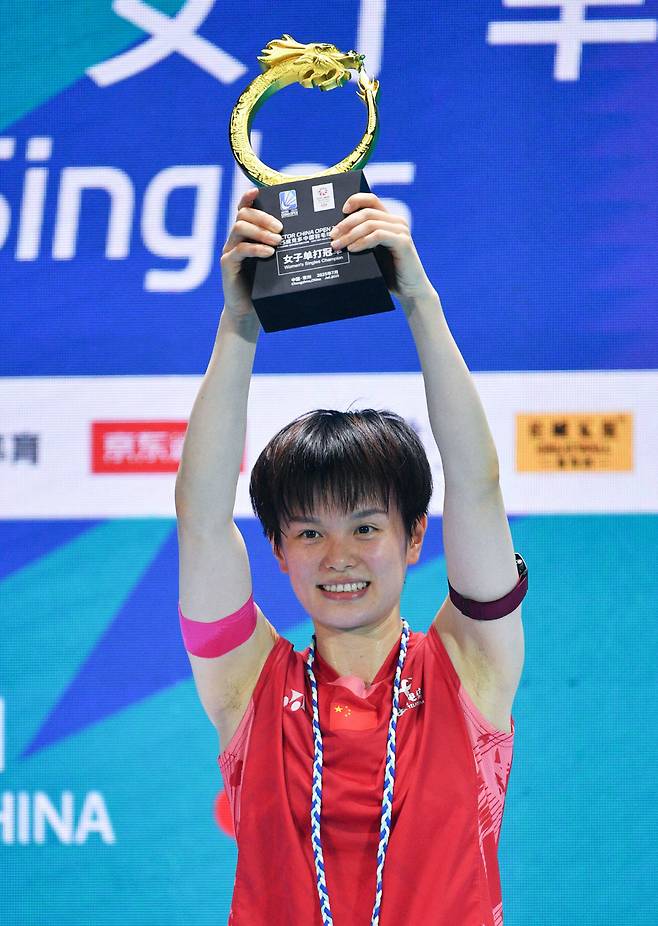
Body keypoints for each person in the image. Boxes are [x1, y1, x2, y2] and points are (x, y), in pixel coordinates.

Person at [175, 187, 528, 926]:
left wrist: (418, 298)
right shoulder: (247, 689)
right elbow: (202, 520)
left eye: (366, 527)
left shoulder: (472, 667)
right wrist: (239, 322)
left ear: (415, 536)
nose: (339, 556)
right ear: (276, 549)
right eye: (309, 532)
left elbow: (478, 485)